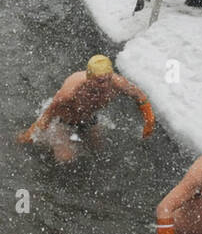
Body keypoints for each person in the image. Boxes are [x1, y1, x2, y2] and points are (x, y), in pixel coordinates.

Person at [18, 55, 155, 163]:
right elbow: (48, 115)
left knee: (99, 152)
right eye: (100, 81)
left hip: (89, 119)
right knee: (66, 159)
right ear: (89, 78)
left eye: (108, 79)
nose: (105, 85)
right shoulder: (70, 91)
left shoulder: (118, 83)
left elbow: (140, 97)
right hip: (62, 122)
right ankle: (43, 144)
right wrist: (30, 135)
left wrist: (149, 119)